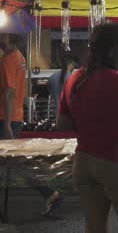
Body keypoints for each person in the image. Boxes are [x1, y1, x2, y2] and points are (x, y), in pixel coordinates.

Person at [56, 23, 118, 233]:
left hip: (84, 164)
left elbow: (62, 124)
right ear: (111, 51)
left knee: (95, 228)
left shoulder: (75, 78)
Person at [0, 33, 63, 216]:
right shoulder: (19, 57)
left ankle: (51, 193)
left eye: (2, 35)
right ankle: (51, 194)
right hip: (13, 117)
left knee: (17, 162)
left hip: (5, 118)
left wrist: (7, 125)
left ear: (9, 38)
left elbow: (10, 93)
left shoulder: (7, 60)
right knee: (16, 162)